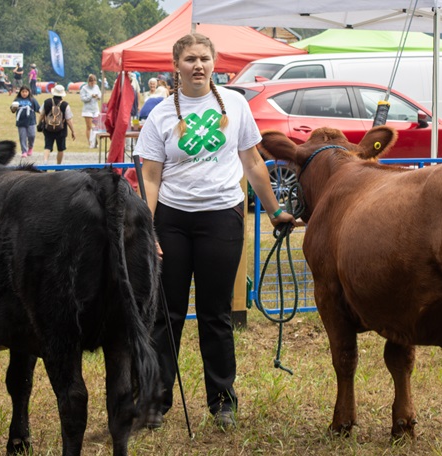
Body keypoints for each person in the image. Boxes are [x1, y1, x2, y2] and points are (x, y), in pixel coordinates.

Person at [134, 33, 295, 431]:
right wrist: (146, 229)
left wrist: (274, 210)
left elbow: (254, 163)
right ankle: (155, 400)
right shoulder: (160, 114)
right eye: (190, 59)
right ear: (177, 66)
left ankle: (222, 402)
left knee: (216, 314)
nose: (198, 66)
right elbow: (150, 178)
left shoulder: (236, 105)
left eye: (204, 58)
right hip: (171, 220)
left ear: (214, 61)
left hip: (221, 218)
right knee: (164, 315)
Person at [37, 84, 75, 164]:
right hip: (61, 130)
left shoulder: (47, 102)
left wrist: (39, 123)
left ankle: (45, 163)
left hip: (48, 129)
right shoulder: (65, 105)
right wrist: (73, 131)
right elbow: (68, 119)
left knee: (47, 146)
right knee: (60, 149)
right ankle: (58, 166)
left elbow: (41, 114)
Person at [12, 86, 39, 157]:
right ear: (20, 92)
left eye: (26, 92)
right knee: (22, 137)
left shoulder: (32, 100)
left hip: (31, 121)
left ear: (29, 92)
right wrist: (14, 108)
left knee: (32, 135)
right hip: (21, 122)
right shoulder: (17, 100)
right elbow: (12, 110)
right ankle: (24, 151)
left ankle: (30, 147)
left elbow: (38, 109)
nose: (24, 93)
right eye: (23, 92)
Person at [79, 73, 102, 149]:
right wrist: (90, 96)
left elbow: (100, 96)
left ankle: (95, 141)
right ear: (88, 82)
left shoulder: (97, 87)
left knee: (96, 126)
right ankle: (90, 142)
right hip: (87, 110)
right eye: (91, 82)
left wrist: (97, 96)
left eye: (94, 82)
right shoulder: (84, 88)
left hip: (95, 109)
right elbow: (83, 99)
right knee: (89, 127)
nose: (93, 84)